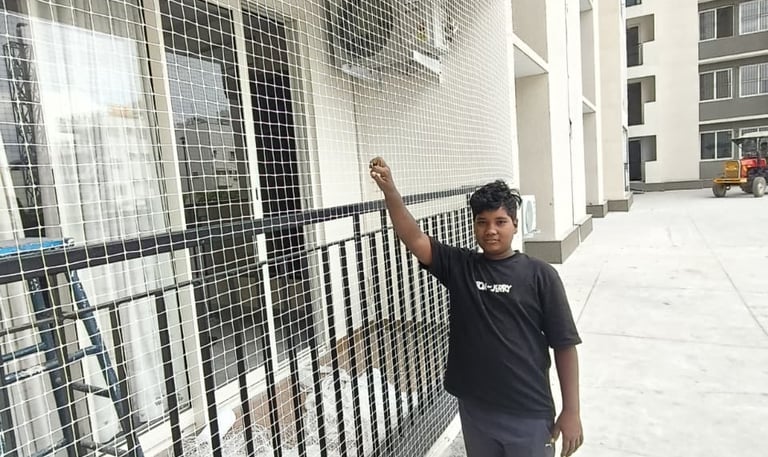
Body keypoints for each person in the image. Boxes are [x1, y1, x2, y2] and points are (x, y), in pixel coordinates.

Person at [369, 157, 583, 457]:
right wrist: (390, 191)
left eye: (500, 222)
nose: (490, 230)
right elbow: (414, 237)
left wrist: (571, 411)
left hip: (528, 414)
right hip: (475, 411)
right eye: (482, 222)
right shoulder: (461, 266)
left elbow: (565, 345)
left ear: (515, 224)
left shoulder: (540, 276)